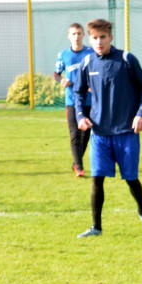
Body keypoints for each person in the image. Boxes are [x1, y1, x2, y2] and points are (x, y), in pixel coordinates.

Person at [73, 18, 142, 238]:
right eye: (94, 38)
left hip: (126, 132)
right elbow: (78, 92)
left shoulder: (126, 59)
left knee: (130, 178)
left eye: (103, 37)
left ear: (111, 37)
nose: (98, 42)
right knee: (97, 179)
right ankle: (96, 227)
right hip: (100, 132)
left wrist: (141, 113)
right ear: (89, 39)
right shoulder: (87, 62)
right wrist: (81, 115)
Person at [54, 23, 93, 178]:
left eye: (79, 33)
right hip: (71, 101)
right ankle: (79, 168)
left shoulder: (91, 53)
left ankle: (76, 163)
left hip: (90, 101)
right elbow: (56, 74)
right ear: (68, 36)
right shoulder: (63, 55)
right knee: (75, 133)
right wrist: (61, 80)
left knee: (86, 135)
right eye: (73, 34)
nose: (76, 37)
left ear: (83, 35)